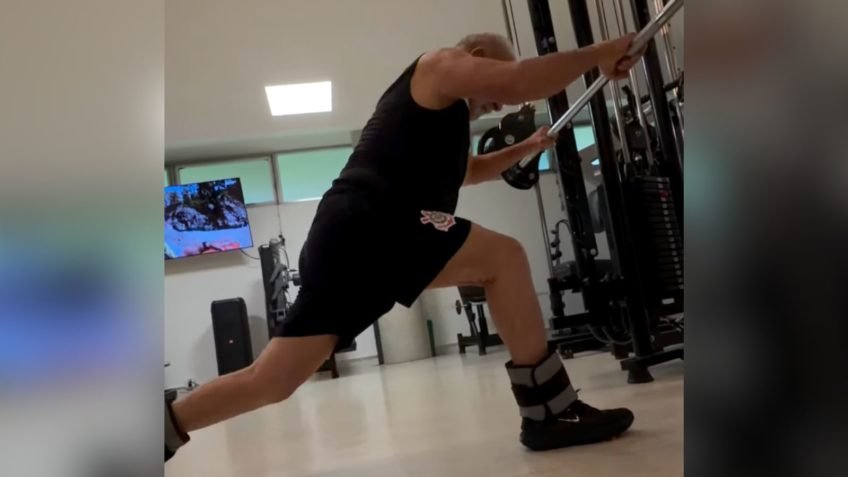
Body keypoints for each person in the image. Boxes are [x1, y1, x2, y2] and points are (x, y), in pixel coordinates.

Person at [165, 31, 645, 461]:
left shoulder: (442, 123)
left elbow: (470, 172)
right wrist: (600, 53)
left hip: (344, 241)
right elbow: (519, 81)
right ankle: (549, 413)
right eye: (494, 84)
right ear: (477, 55)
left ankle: (159, 430)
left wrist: (527, 148)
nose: (499, 106)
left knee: (271, 381)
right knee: (504, 258)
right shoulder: (438, 65)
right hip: (371, 222)